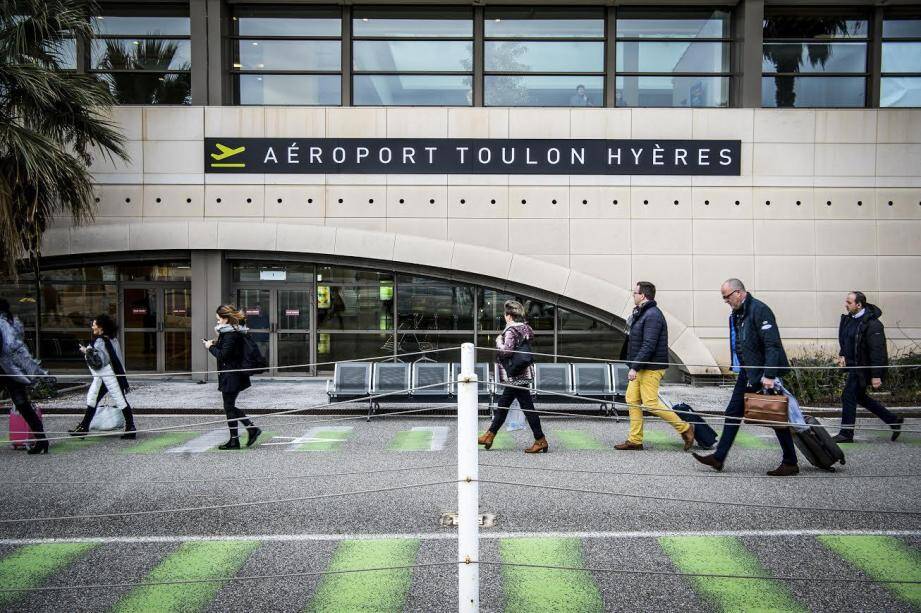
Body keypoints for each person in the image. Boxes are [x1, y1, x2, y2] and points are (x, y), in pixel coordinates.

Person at [692, 279, 800, 476]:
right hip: (747, 372)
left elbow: (772, 345)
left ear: (739, 292)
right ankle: (719, 457)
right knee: (733, 412)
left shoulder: (760, 310)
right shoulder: (738, 313)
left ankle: (790, 461)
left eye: (727, 297)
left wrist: (769, 375)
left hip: (761, 372)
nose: (725, 301)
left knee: (775, 414)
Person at [615, 282, 694, 451]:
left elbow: (649, 344)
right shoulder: (642, 313)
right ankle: (635, 440)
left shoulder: (652, 315)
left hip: (651, 367)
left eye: (635, 292)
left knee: (650, 403)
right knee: (632, 399)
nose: (633, 295)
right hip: (642, 365)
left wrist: (634, 367)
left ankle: (685, 428)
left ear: (643, 295)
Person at [477, 300, 547, 453]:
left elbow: (507, 352)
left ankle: (540, 439)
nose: (504, 317)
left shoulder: (510, 331)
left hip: (515, 375)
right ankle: (490, 435)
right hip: (522, 373)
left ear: (509, 316)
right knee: (504, 405)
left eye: (505, 314)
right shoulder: (525, 328)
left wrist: (498, 342)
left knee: (526, 408)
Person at [834, 291, 904, 443]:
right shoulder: (849, 320)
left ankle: (846, 434)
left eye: (849, 302)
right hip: (854, 367)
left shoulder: (873, 324)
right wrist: (842, 355)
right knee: (859, 397)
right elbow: (846, 340)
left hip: (864, 368)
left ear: (859, 305)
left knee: (848, 395)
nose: (846, 304)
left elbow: (877, 351)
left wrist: (876, 375)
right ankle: (893, 420)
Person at [203, 305, 261, 450]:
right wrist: (216, 343)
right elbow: (230, 350)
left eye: (218, 320)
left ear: (226, 319)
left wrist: (210, 346)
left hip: (231, 375)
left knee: (229, 406)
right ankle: (245, 432)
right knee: (229, 406)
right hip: (232, 374)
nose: (217, 323)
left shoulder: (230, 334)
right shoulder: (233, 332)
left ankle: (241, 436)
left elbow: (223, 355)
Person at [69, 314, 136, 439]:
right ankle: (84, 427)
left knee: (103, 400)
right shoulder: (112, 339)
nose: (92, 326)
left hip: (108, 376)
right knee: (102, 400)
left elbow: (100, 361)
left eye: (94, 324)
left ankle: (130, 428)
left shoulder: (100, 341)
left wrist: (87, 351)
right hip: (114, 375)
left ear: (101, 327)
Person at [0, 298, 48, 454]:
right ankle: (42, 441)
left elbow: (8, 347)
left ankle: (42, 441)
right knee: (24, 406)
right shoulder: (13, 322)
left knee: (24, 406)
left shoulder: (3, 324)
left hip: (5, 369)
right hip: (14, 371)